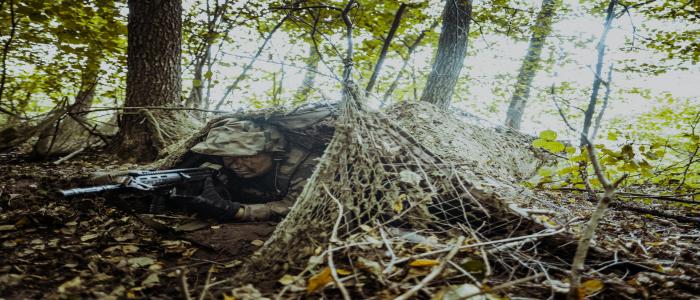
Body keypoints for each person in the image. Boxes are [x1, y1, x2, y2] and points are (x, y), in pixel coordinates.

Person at [171, 119, 320, 222]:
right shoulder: (222, 165)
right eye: (228, 157)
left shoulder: (306, 164)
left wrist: (235, 211)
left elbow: (297, 208)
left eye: (244, 156)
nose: (236, 164)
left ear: (273, 152)